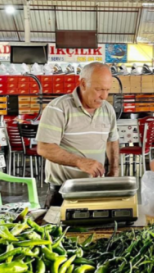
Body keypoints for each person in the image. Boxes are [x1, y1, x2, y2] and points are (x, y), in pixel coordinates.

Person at [37, 62, 120, 207]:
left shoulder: (108, 109)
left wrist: (114, 170)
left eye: (107, 90)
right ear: (83, 84)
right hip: (63, 191)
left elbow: (112, 140)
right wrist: (79, 162)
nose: (104, 96)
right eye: (99, 89)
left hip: (96, 189)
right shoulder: (58, 108)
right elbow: (45, 148)